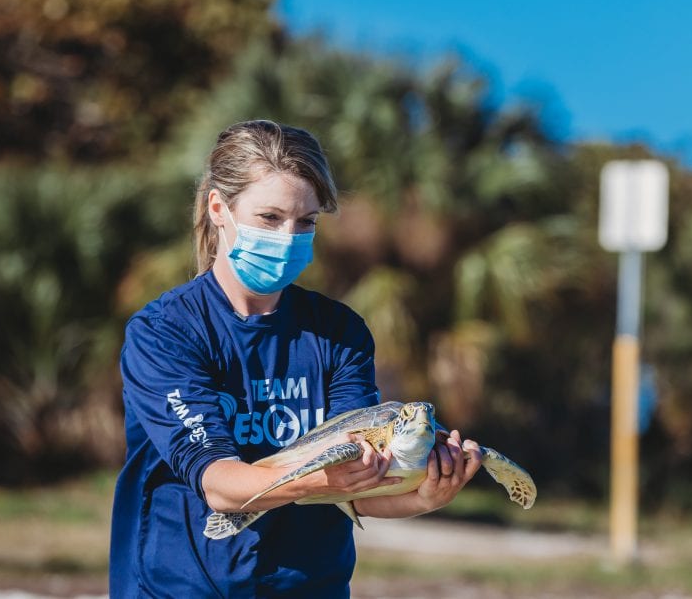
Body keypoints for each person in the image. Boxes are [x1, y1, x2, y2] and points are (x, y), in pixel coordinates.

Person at [109, 120, 483, 598]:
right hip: (179, 587)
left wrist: (421, 495)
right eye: (270, 218)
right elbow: (220, 485)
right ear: (219, 208)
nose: (288, 238)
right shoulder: (165, 332)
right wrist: (311, 480)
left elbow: (355, 491)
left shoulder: (339, 332)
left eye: (305, 222)